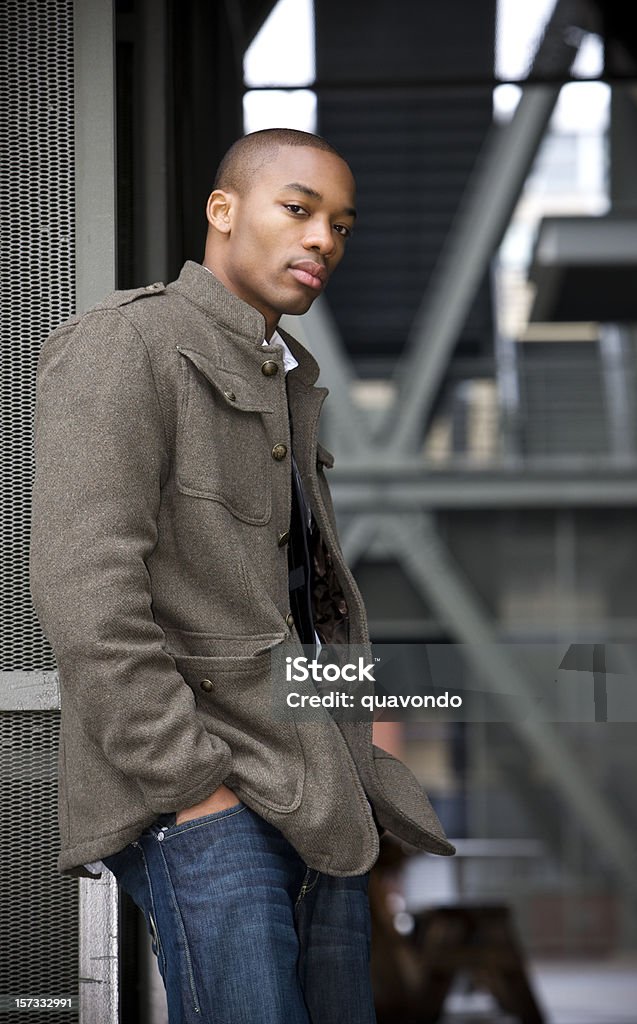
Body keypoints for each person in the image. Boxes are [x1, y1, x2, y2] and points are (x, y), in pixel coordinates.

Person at [30, 127, 454, 1024]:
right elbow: (85, 592)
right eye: (297, 210)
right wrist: (193, 787)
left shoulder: (285, 381)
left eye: (340, 225)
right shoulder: (126, 344)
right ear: (222, 212)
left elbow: (303, 611)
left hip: (324, 803)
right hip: (210, 798)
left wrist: (362, 765)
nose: (322, 241)